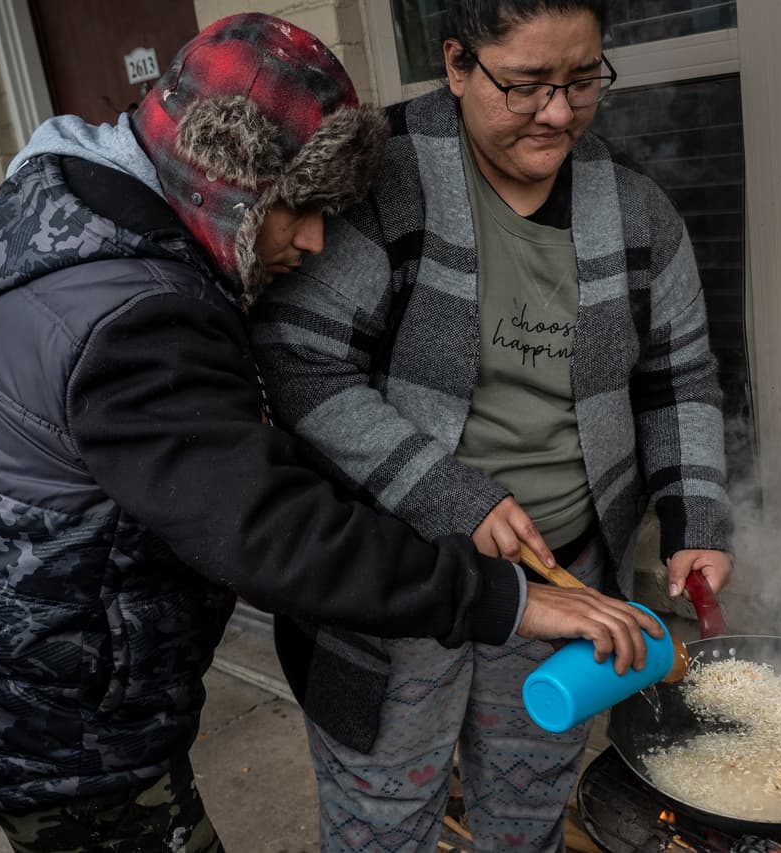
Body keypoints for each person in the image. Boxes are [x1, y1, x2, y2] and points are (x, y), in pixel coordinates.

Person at [0, 13, 663, 853]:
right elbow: (275, 532)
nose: (311, 242)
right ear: (222, 180)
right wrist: (508, 599)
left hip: (53, 675)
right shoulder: (136, 315)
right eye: (297, 208)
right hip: (59, 721)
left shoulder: (88, 225)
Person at [252, 1, 735, 849]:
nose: (558, 112)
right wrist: (450, 494)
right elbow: (299, 361)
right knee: (381, 820)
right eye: (525, 85)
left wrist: (694, 515)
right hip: (396, 581)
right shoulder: (383, 182)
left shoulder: (636, 211)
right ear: (456, 64)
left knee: (528, 813)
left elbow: (679, 376)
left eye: (583, 81)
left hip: (564, 577)